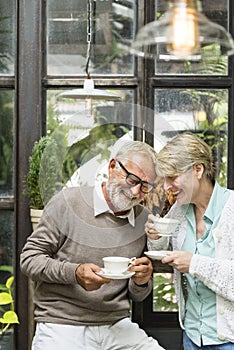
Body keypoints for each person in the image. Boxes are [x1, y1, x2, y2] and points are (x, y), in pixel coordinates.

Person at [20, 140, 165, 350]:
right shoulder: (68, 202)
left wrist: (141, 281)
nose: (135, 192)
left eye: (145, 187)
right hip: (62, 323)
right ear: (112, 166)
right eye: (132, 179)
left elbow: (137, 294)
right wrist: (75, 273)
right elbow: (29, 260)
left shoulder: (143, 219)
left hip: (117, 325)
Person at [145, 132, 234, 350]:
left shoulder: (231, 208)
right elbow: (163, 249)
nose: (167, 187)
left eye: (172, 177)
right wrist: (156, 237)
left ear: (198, 169)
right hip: (192, 335)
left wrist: (194, 264)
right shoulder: (179, 210)